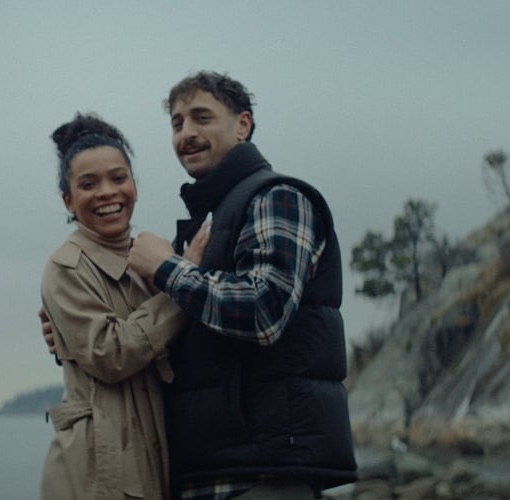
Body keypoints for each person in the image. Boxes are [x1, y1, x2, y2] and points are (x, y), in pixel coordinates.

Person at [125, 71, 357, 499]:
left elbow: (264, 310)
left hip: (264, 475)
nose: (187, 134)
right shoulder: (211, 220)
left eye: (201, 118)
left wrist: (165, 268)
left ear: (243, 125)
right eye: (177, 123)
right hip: (213, 471)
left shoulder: (277, 197)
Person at [38, 113, 208, 499]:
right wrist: (183, 283)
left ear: (134, 184)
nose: (107, 192)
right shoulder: (66, 266)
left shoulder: (153, 258)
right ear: (68, 199)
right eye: (88, 184)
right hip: (98, 476)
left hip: (155, 466)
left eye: (118, 178)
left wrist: (174, 274)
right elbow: (110, 354)